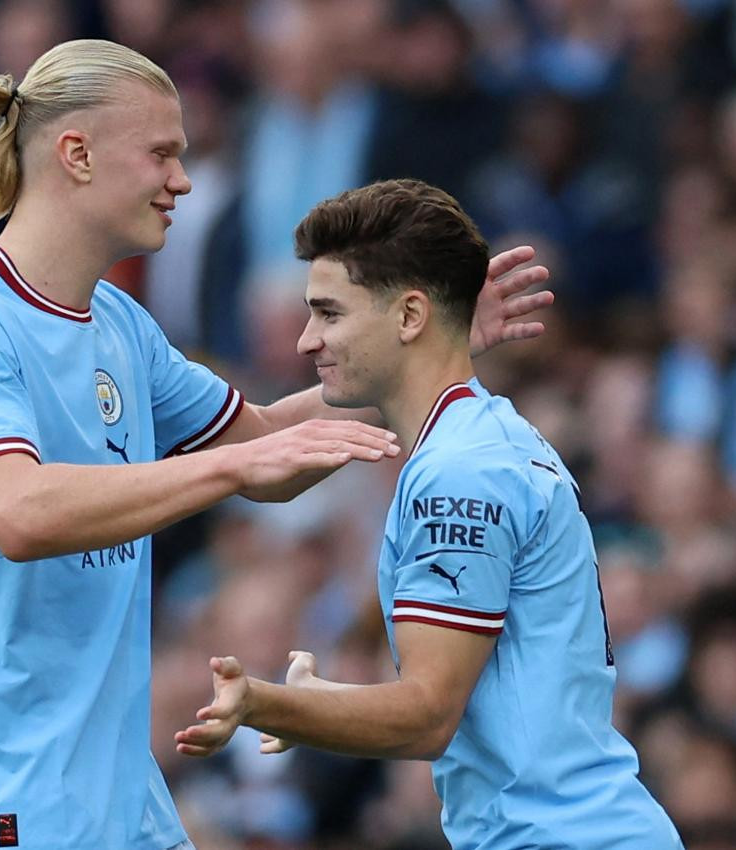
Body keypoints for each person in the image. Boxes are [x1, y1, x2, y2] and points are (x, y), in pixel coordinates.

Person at [0, 41, 549, 850]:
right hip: (4, 800)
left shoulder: (122, 325)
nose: (183, 181)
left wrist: (425, 349)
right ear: (77, 154)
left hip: (125, 795)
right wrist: (225, 466)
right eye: (162, 153)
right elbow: (17, 513)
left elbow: (266, 446)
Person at [175, 179, 683, 849]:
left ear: (410, 318)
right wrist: (323, 702)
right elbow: (261, 445)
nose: (305, 341)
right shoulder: (475, 441)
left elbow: (427, 715)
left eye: (329, 313)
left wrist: (266, 704)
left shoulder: (460, 472)